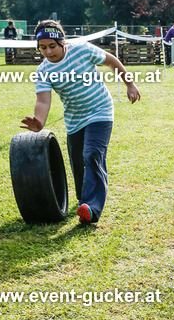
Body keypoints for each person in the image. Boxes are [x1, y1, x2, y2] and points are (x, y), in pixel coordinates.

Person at [21, 19, 140, 224]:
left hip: (100, 110)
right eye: (42, 48)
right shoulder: (43, 71)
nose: (48, 52)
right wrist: (39, 122)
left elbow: (111, 61)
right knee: (78, 162)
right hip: (75, 119)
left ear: (62, 43)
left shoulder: (82, 50)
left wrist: (129, 84)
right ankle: (83, 199)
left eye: (52, 46)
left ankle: (91, 208)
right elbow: (43, 100)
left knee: (92, 154)